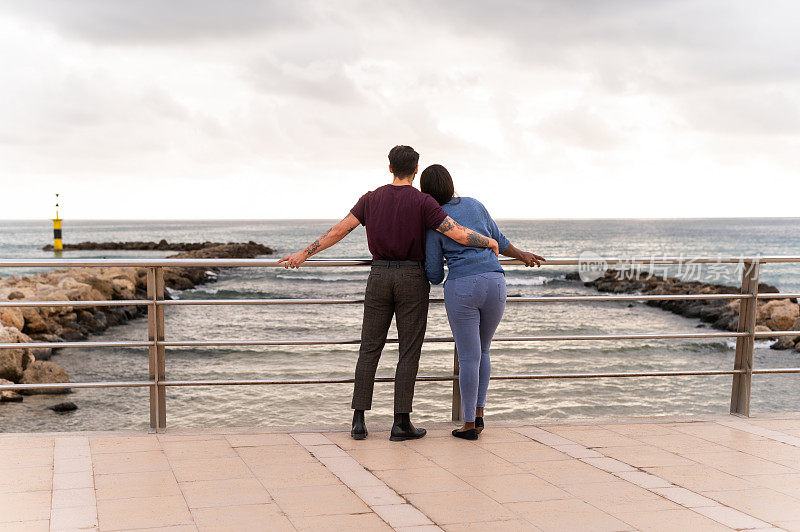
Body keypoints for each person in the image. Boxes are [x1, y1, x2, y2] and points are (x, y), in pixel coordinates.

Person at [279, 146, 500, 441]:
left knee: (370, 347)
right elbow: (457, 233)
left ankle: (358, 420)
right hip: (411, 277)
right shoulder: (423, 202)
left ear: (389, 167)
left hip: (379, 275)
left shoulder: (371, 199)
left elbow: (339, 230)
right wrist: (488, 241)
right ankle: (400, 423)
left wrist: (304, 253)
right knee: (408, 350)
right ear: (416, 169)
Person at [421, 164, 545, 440]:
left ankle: (467, 426)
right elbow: (499, 240)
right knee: (484, 351)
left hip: (464, 286)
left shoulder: (435, 220)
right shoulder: (476, 205)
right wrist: (522, 254)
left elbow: (433, 274)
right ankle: (478, 415)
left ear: (425, 191)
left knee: (468, 357)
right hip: (495, 282)